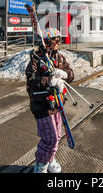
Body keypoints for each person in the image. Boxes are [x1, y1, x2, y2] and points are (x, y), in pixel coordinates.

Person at [25, 28, 74, 173]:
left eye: (59, 39)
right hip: (42, 105)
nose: (59, 42)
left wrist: (65, 74)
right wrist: (50, 81)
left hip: (57, 104)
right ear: (46, 41)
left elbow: (71, 74)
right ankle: (41, 164)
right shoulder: (36, 59)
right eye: (56, 40)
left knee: (57, 135)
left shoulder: (59, 57)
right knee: (50, 138)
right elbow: (32, 80)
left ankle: (50, 158)